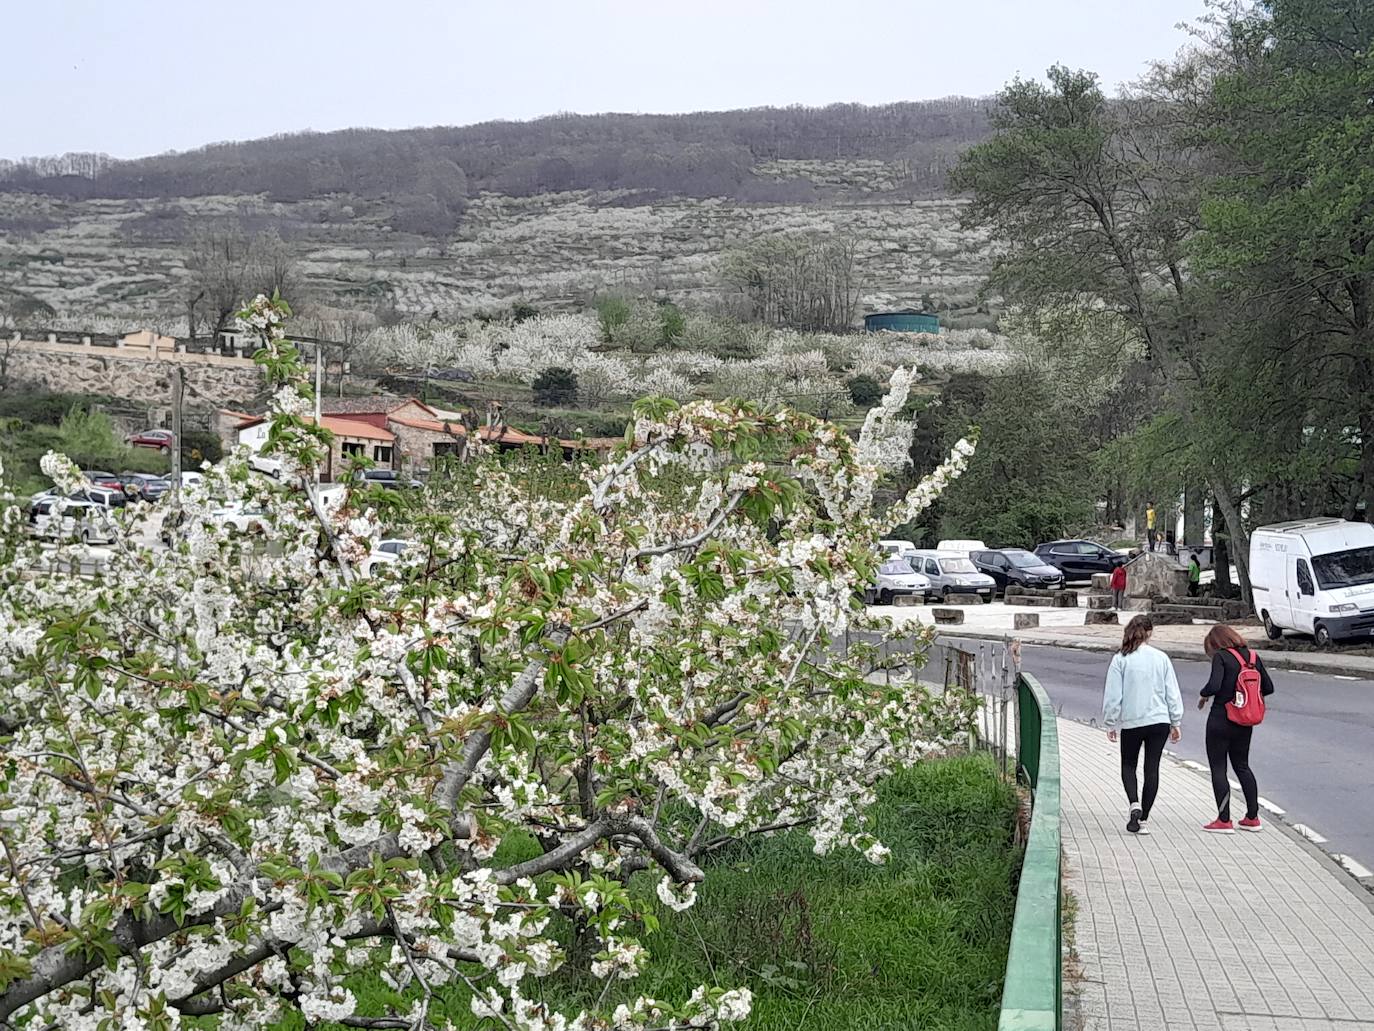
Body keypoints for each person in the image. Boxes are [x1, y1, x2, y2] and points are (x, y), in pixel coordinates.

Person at [1102, 615, 1183, 835]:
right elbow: (1172, 693)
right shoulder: (1161, 658)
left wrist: (1110, 722)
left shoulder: (1121, 659)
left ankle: (1133, 803)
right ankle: (1144, 818)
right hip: (1159, 720)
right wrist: (1175, 721)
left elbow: (1113, 695)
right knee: (1152, 768)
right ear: (1150, 633)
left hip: (1133, 721)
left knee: (1128, 765)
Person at [1198, 625, 1274, 833]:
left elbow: (1214, 686)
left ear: (1215, 644)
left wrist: (1203, 694)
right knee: (1242, 766)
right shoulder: (1252, 657)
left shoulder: (1221, 657)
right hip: (1244, 720)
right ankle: (1252, 817)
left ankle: (1224, 820)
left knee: (1218, 767)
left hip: (1221, 718)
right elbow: (1268, 687)